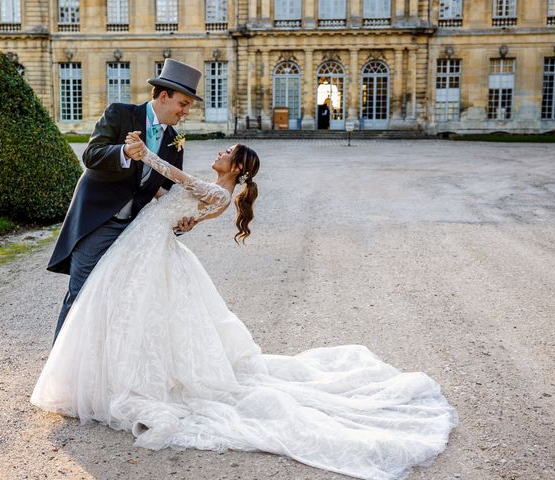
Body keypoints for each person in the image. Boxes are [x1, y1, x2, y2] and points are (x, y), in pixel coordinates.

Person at [31, 137, 458, 479]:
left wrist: (145, 157)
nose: (220, 152)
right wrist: (172, 205)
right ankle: (108, 374)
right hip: (145, 246)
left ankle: (121, 379)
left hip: (146, 250)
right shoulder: (218, 193)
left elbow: (175, 177)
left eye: (227, 153)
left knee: (138, 315)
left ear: (236, 168)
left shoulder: (218, 191)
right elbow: (178, 206)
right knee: (132, 315)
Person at [46, 58, 203, 341]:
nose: (186, 111)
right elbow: (91, 156)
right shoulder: (119, 114)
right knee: (80, 294)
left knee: (118, 298)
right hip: (98, 221)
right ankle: (60, 373)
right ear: (164, 96)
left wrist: (180, 219)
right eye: (183, 103)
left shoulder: (175, 141)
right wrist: (124, 153)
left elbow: (163, 190)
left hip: (133, 230)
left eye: (189, 105)